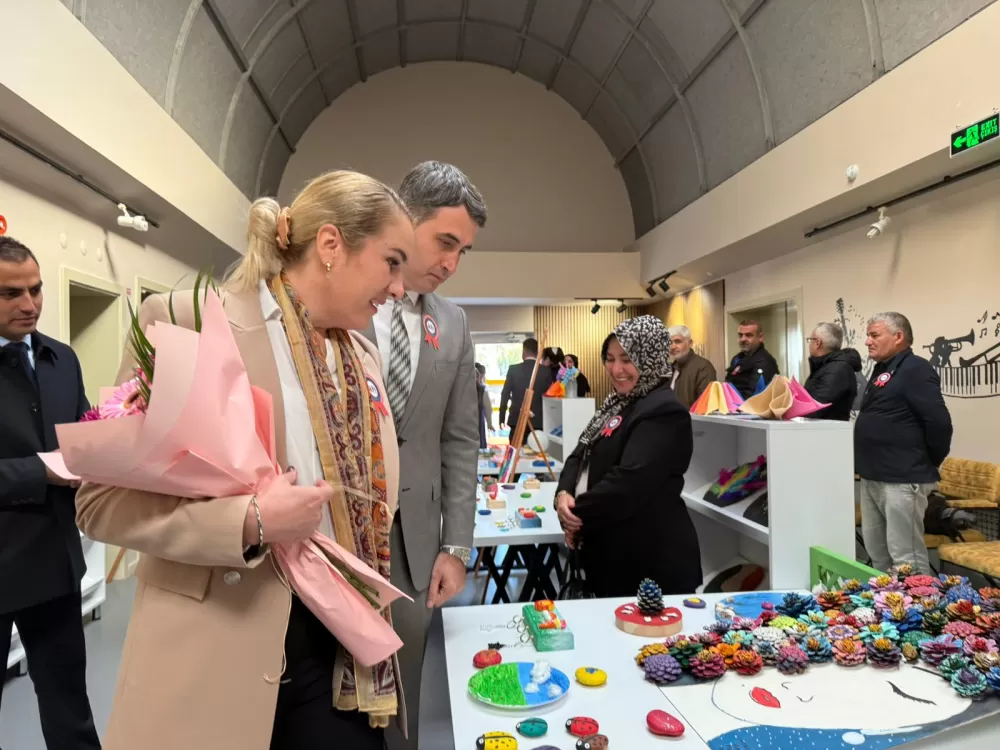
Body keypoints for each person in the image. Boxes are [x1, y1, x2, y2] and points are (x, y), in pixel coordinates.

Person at [75, 170, 414, 750]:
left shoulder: (363, 359)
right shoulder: (186, 321)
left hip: (339, 650)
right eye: (392, 262)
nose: (400, 288)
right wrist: (249, 522)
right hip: (218, 651)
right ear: (331, 245)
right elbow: (100, 503)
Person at [361, 161, 485, 750]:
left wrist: (456, 547)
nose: (452, 263)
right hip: (335, 535)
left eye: (463, 251)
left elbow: (460, 440)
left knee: (402, 701)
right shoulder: (347, 300)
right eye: (445, 242)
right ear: (405, 219)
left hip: (414, 546)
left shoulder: (453, 325)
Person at [0, 237, 101, 750]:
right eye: (11, 294)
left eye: (36, 290)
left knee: (70, 713)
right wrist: (40, 471)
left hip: (54, 567)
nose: (30, 304)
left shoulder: (62, 358)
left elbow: (83, 431)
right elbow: (48, 464)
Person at [555, 316, 701, 597]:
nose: (616, 369)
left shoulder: (664, 411)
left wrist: (576, 515)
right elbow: (579, 454)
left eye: (627, 359)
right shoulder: (617, 403)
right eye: (610, 359)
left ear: (651, 358)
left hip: (648, 563)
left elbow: (630, 481)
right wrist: (563, 495)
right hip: (610, 554)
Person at [855, 312, 952, 574]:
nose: (867, 341)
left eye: (874, 335)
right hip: (873, 475)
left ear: (898, 337)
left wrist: (928, 462)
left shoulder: (916, 369)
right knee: (878, 555)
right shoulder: (883, 369)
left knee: (907, 558)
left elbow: (940, 424)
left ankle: (921, 602)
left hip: (902, 476)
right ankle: (888, 600)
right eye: (868, 335)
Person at [803, 322, 861, 420]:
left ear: (817, 343)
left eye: (810, 340)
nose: (809, 344)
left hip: (828, 428)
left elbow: (816, 408)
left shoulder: (837, 369)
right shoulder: (826, 366)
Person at [499, 337, 552, 431]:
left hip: (516, 419)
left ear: (524, 352)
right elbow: (549, 397)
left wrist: (501, 418)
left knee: (516, 441)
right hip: (538, 421)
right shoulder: (545, 371)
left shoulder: (513, 370)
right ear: (537, 353)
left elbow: (505, 394)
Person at [725, 319, 779, 399]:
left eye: (748, 335)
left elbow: (754, 396)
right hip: (732, 405)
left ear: (760, 337)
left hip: (749, 406)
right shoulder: (737, 359)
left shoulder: (764, 362)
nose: (743, 339)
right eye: (740, 335)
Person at [667, 324, 717, 408]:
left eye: (678, 341)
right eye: (669, 343)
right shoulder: (671, 368)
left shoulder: (703, 367)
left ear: (690, 343)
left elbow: (705, 405)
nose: (672, 347)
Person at [475, 362, 494, 449]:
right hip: (478, 421)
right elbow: (488, 407)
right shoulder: (481, 389)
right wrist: (489, 424)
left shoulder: (461, 388)